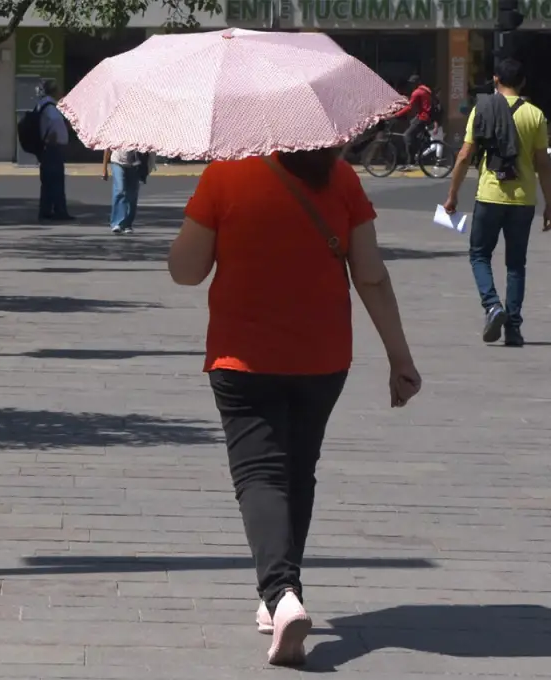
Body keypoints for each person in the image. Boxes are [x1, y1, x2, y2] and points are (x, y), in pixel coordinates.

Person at [167, 148, 421, 667]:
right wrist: (400, 357)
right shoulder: (342, 177)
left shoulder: (225, 174)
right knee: (297, 471)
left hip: (243, 360)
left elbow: (186, 271)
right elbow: (370, 274)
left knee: (260, 475)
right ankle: (280, 596)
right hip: (322, 359)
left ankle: (281, 595)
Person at [443, 57, 551, 348]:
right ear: (523, 83)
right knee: (516, 264)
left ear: (496, 80)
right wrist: (549, 204)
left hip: (490, 195)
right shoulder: (535, 115)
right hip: (523, 199)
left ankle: (493, 305)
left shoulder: (482, 109)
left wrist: (452, 195)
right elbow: (543, 163)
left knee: (479, 254)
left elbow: (465, 155)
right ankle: (514, 330)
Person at [36, 80, 73, 221]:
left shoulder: (44, 104)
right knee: (56, 180)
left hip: (49, 147)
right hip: (52, 147)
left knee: (48, 181)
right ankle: (60, 210)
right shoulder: (50, 107)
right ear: (54, 91)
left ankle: (46, 210)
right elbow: (54, 125)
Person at [102, 149, 145, 234]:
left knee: (132, 193)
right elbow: (107, 148)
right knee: (120, 190)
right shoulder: (114, 135)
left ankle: (127, 224)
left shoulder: (139, 135)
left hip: (134, 164)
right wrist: (104, 168)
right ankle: (117, 223)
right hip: (117, 162)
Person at [394, 75, 433, 167]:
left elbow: (409, 107)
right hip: (425, 116)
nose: (411, 85)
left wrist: (397, 114)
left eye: (412, 83)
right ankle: (417, 150)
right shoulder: (426, 90)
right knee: (412, 125)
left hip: (423, 117)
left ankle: (410, 161)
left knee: (407, 135)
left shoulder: (417, 92)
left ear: (416, 83)